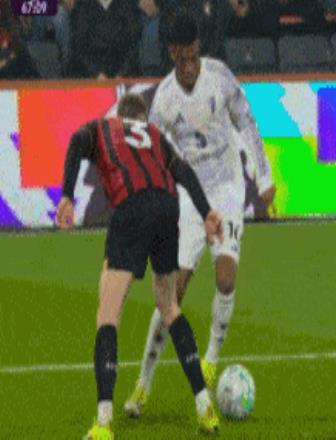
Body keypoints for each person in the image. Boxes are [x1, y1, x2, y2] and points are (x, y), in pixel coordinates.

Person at [124, 13, 275, 417]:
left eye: (194, 55)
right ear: (172, 53)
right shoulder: (164, 100)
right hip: (190, 197)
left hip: (227, 188)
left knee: (225, 278)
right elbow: (155, 156)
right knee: (172, 294)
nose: (190, 64)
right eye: (183, 57)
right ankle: (142, 384)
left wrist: (264, 176)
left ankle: (210, 359)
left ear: (198, 50)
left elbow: (247, 122)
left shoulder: (220, 77)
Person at [55, 93, 222, 438]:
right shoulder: (156, 137)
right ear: (143, 120)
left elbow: (75, 141)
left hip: (131, 208)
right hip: (167, 208)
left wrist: (67, 195)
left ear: (120, 115)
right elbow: (183, 171)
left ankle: (104, 423)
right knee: (169, 307)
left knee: (108, 314)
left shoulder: (104, 128)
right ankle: (205, 407)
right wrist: (207, 212)